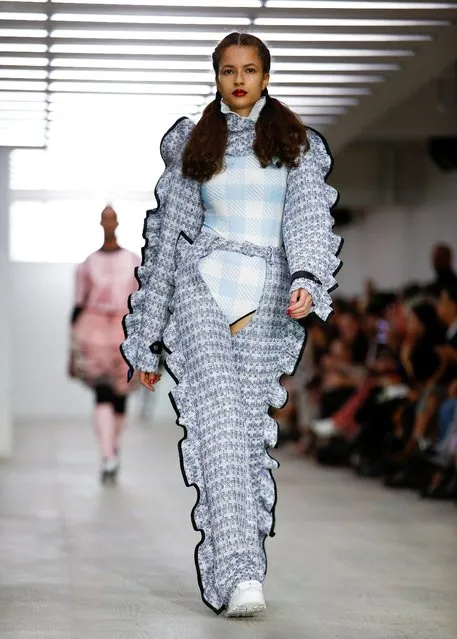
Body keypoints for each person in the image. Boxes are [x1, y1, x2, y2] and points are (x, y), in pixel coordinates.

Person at [121, 33, 341, 617]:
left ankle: (232, 566)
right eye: (227, 71)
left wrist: (308, 278)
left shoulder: (296, 145)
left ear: (266, 77)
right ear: (216, 77)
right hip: (203, 288)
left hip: (267, 294)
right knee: (217, 427)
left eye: (249, 70)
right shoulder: (195, 145)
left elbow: (308, 220)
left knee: (243, 438)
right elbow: (167, 242)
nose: (238, 81)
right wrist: (144, 338)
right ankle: (243, 577)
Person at [69, 206, 141, 484]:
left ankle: (112, 449)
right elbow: (78, 304)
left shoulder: (133, 260)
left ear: (117, 222)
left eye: (112, 218)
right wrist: (70, 352)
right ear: (101, 222)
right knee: (101, 393)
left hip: (125, 333)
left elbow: (142, 304)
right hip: (93, 332)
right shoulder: (87, 264)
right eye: (105, 218)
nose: (109, 223)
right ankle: (107, 455)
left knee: (120, 397)